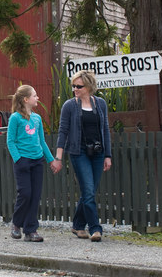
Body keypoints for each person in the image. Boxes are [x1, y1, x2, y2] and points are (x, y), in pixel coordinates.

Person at [54, 70, 112, 242]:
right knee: (88, 191)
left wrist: (107, 155)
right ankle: (95, 228)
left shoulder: (100, 104)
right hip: (78, 153)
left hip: (98, 153)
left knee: (90, 192)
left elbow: (106, 130)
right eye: (73, 86)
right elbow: (63, 132)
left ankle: (78, 225)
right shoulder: (69, 105)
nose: (75, 89)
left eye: (79, 86)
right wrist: (58, 157)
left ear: (89, 86)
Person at [7, 85, 59, 242]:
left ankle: (31, 230)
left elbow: (41, 141)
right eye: (35, 96)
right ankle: (16, 224)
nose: (37, 98)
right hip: (23, 162)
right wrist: (19, 159)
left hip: (37, 162)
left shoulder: (37, 119)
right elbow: (10, 141)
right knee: (25, 193)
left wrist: (51, 160)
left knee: (35, 195)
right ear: (26, 99)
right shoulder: (15, 118)